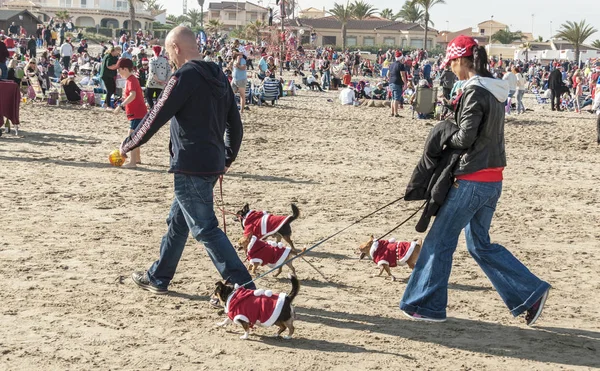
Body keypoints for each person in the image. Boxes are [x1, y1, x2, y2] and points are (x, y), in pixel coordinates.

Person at [400, 35, 551, 325]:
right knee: (479, 245)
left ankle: (425, 306)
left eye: (452, 64)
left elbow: (465, 136)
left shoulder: (474, 92)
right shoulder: (494, 90)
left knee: (439, 241)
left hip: (471, 181)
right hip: (493, 179)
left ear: (461, 61)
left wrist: (444, 131)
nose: (451, 70)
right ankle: (530, 294)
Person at [119, 26, 254, 295]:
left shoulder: (184, 76)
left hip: (191, 164)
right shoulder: (218, 74)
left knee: (205, 228)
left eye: (169, 51)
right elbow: (235, 125)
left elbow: (157, 114)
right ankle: (159, 277)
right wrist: (227, 157)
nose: (169, 57)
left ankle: (243, 285)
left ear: (176, 48)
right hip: (211, 163)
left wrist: (129, 144)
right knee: (178, 221)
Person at [114, 58, 147, 168]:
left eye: (119, 70)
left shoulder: (132, 80)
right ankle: (137, 159)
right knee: (136, 136)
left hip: (137, 113)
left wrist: (121, 106)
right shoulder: (130, 80)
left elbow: (132, 95)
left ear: (125, 69)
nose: (118, 72)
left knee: (132, 137)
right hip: (136, 113)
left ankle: (133, 162)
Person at [387, 51, 407, 117]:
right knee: (396, 98)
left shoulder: (391, 64)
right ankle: (396, 113)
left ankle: (392, 112)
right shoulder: (401, 65)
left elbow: (388, 74)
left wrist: (390, 79)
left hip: (391, 82)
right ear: (401, 58)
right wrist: (405, 83)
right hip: (397, 82)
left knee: (393, 98)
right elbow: (402, 75)